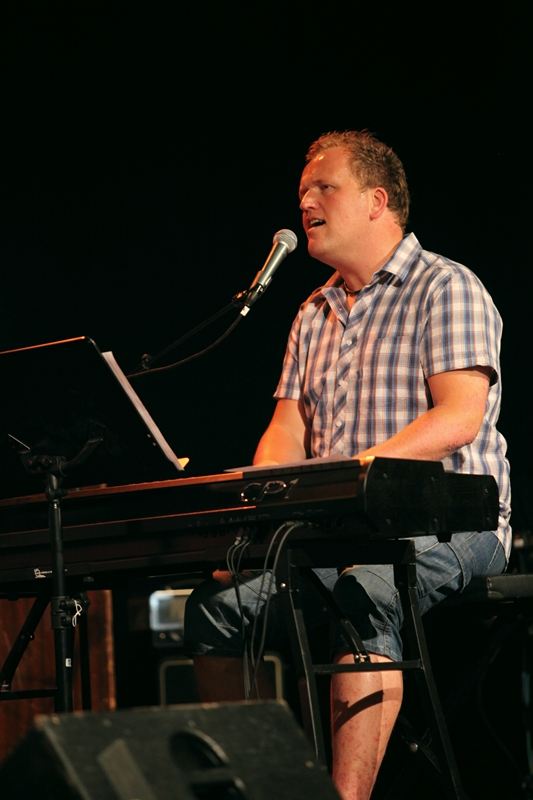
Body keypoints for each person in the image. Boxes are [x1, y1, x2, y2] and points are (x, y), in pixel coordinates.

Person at [184, 131, 511, 800]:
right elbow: (286, 431)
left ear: (375, 201)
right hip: (339, 533)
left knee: (365, 589)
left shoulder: (445, 286)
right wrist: (262, 508)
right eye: (301, 191)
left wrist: (358, 472)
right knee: (216, 609)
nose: (305, 201)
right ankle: (268, 789)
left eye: (323, 188)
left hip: (454, 527)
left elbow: (457, 417)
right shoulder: (312, 312)